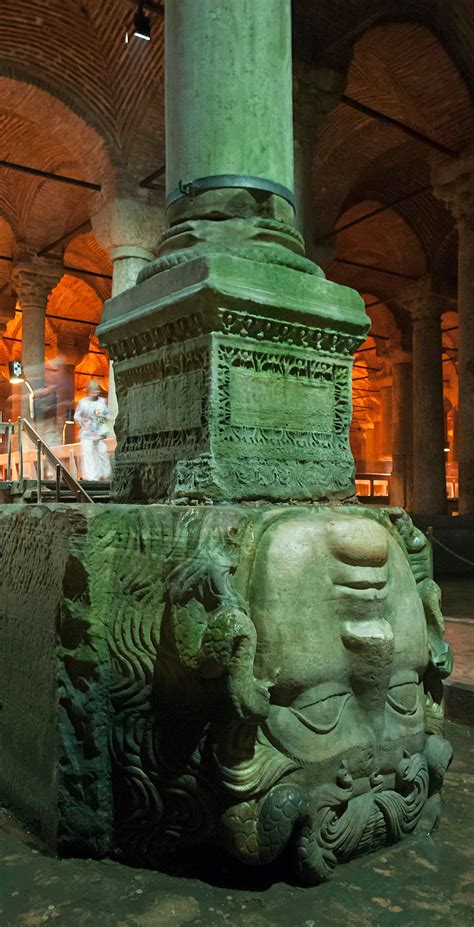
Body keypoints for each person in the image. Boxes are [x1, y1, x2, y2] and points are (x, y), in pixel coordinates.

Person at [74, 380, 112, 481]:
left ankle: (105, 474)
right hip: (86, 434)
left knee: (102, 451)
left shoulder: (102, 401)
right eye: (94, 391)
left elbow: (107, 414)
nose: (96, 393)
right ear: (89, 391)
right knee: (89, 454)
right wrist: (83, 422)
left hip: (99, 433)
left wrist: (105, 418)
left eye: (97, 391)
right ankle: (92, 478)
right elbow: (76, 416)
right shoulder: (83, 403)